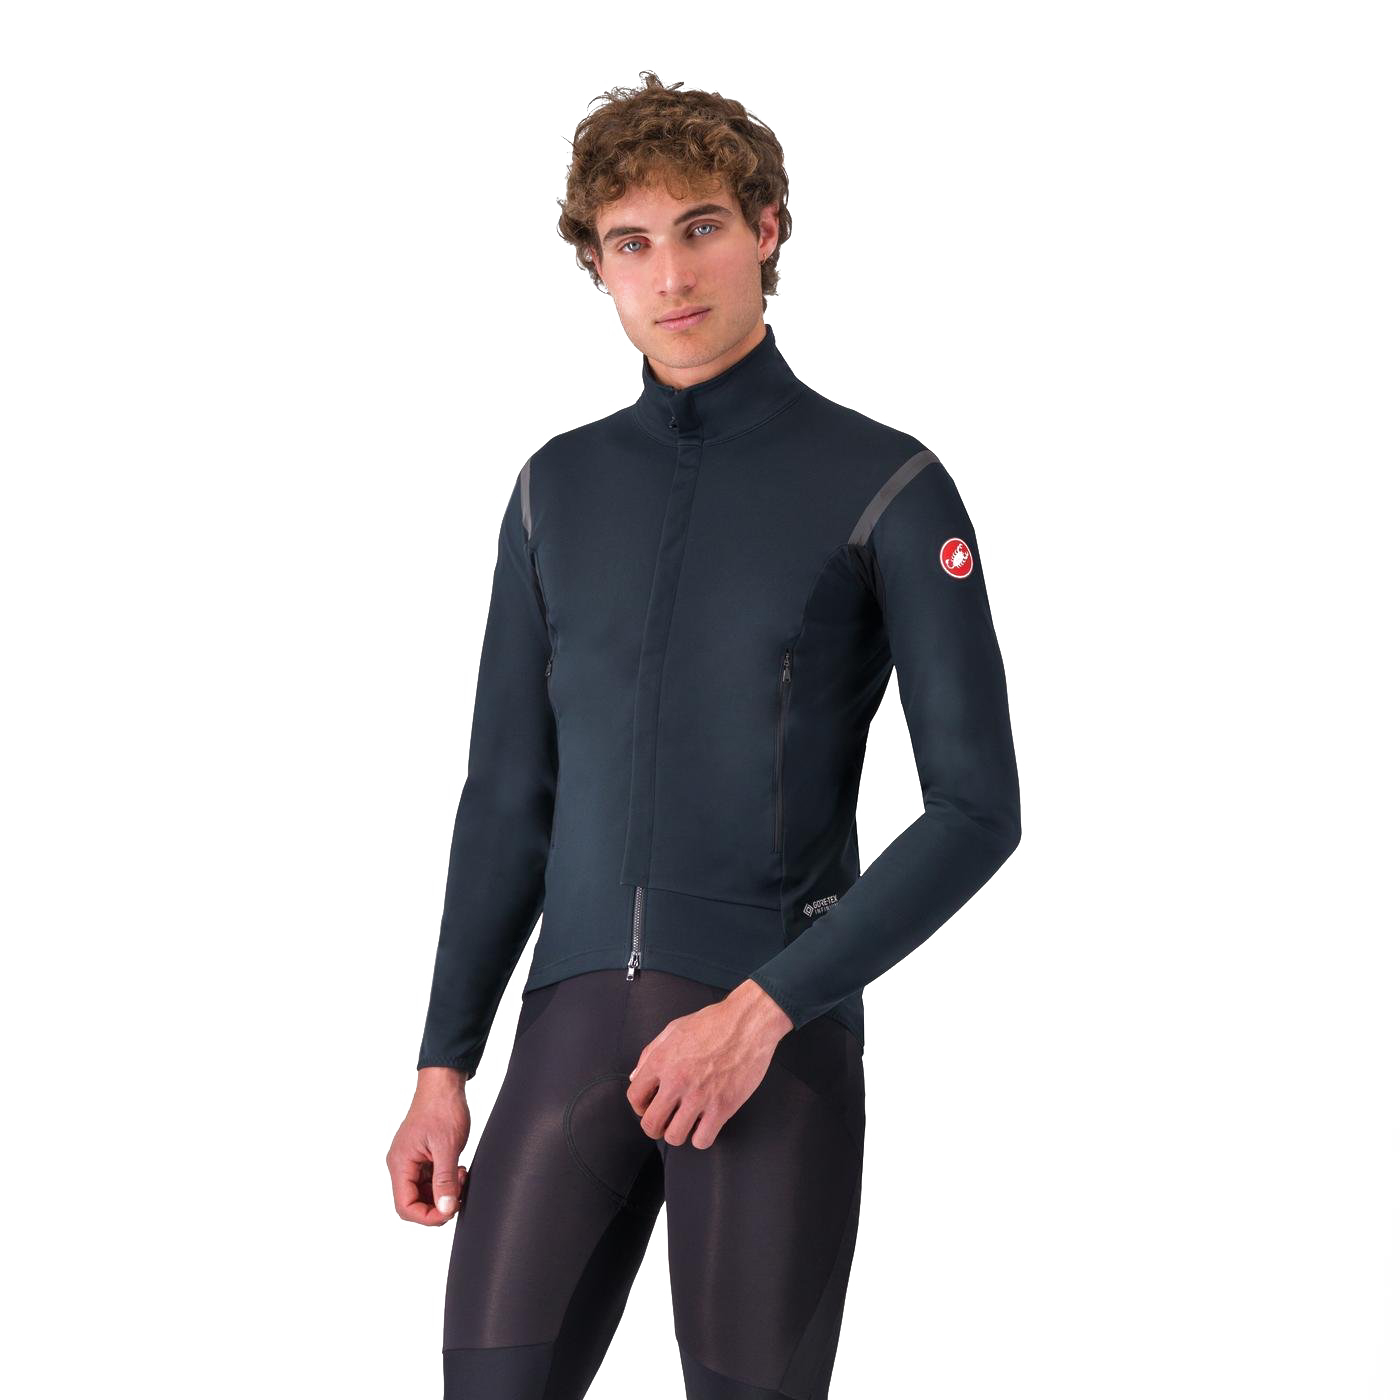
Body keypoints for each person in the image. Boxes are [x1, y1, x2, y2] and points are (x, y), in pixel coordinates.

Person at [387, 70, 1022, 1400]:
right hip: (566, 1037)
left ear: (766, 229)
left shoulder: (886, 484)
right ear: (596, 262)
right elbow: (507, 797)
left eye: (701, 228)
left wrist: (764, 1011)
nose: (670, 275)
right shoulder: (556, 489)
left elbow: (977, 810)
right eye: (631, 242)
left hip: (766, 1048)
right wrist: (444, 1063)